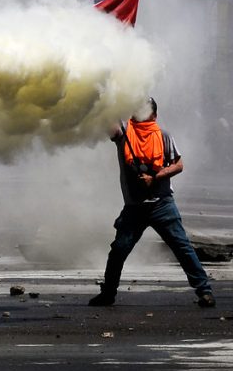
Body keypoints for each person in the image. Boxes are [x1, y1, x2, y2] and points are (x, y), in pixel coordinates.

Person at [89, 97, 216, 308]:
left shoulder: (163, 135)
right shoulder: (124, 133)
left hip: (162, 204)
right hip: (135, 207)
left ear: (154, 115)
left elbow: (178, 165)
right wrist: (108, 105)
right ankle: (108, 293)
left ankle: (204, 291)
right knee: (119, 249)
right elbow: (110, 126)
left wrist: (155, 177)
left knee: (182, 247)